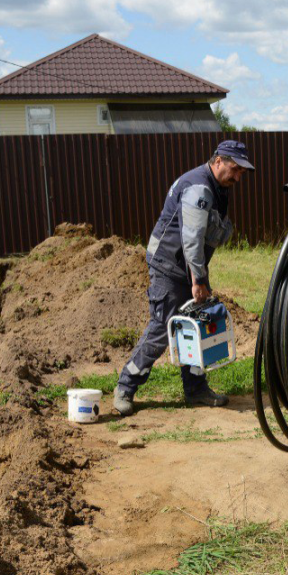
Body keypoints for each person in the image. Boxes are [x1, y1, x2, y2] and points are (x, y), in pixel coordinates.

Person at [114, 140, 253, 415]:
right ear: (218, 162)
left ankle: (196, 389)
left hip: (187, 266)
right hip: (170, 265)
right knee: (162, 328)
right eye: (235, 169)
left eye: (241, 172)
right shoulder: (199, 188)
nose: (238, 177)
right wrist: (199, 280)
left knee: (196, 325)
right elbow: (191, 239)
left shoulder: (217, 185)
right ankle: (125, 387)